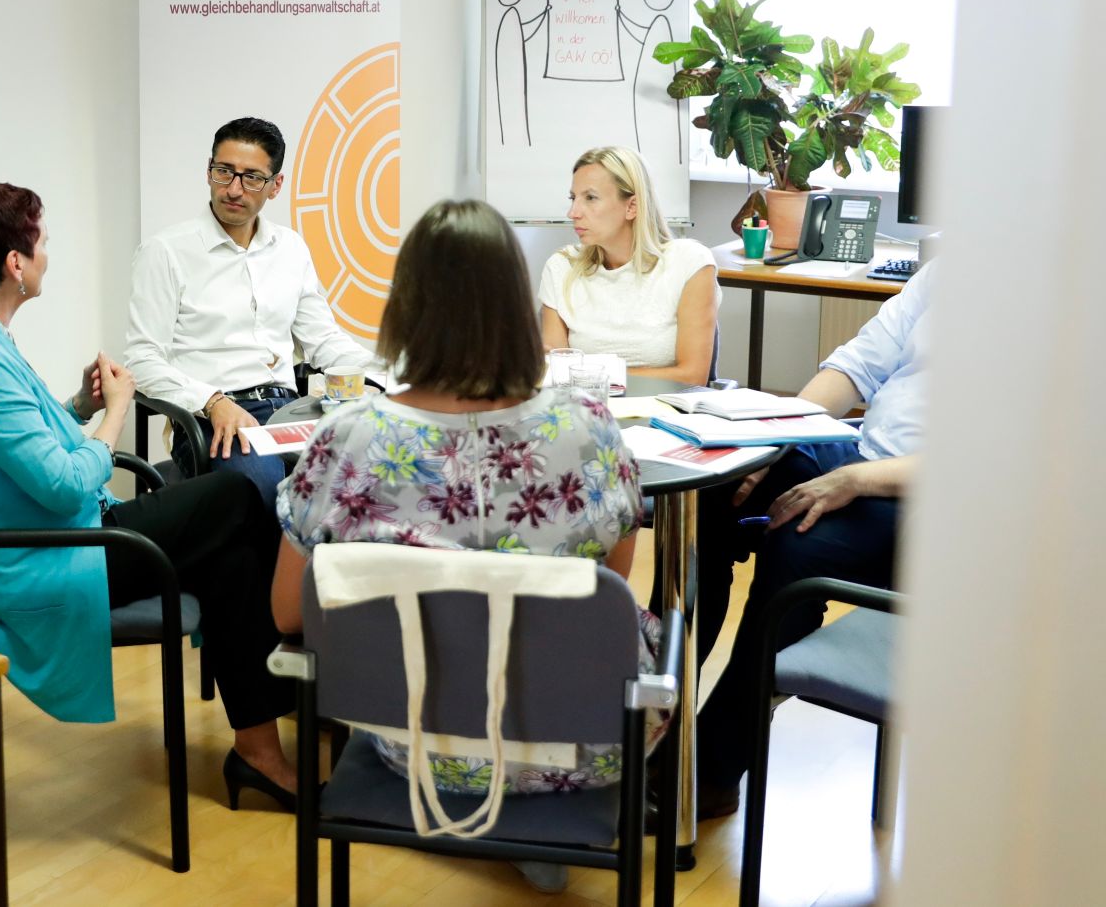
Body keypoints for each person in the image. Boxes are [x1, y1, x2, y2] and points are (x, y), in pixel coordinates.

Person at [268, 199, 665, 895]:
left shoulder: (347, 438)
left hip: (412, 735)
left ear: (406, 307)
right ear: (517, 305)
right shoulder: (585, 430)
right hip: (581, 739)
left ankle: (489, 824)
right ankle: (528, 825)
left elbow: (286, 615)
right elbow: (616, 583)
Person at [0, 183, 299, 807]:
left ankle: (259, 753)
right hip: (45, 554)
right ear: (17, 263)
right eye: (42, 242)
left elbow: (23, 445)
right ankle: (295, 664)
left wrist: (79, 406)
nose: (47, 254)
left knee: (233, 554)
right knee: (234, 499)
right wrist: (116, 412)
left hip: (63, 530)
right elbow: (65, 480)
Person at [690, 261, 934, 819]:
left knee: (798, 545)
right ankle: (665, 704)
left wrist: (854, 481)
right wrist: (772, 440)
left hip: (936, 500)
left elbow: (1002, 456)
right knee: (717, 487)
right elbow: (855, 367)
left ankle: (716, 765)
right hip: (863, 451)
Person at [126, 117, 378, 509]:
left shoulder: (290, 248)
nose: (233, 189)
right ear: (208, 171)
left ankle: (325, 573)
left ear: (276, 185)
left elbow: (323, 340)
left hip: (292, 410)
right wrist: (212, 401)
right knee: (262, 490)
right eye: (224, 172)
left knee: (374, 470)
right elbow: (141, 360)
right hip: (216, 415)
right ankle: (272, 573)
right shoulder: (166, 251)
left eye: (252, 178)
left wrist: (391, 377)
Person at [538, 146, 719, 385]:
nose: (573, 212)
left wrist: (591, 374)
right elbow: (557, 375)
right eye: (573, 198)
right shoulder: (561, 267)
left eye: (590, 198)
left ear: (631, 207)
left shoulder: (690, 263)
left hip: (664, 414)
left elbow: (692, 376)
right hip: (587, 413)